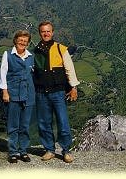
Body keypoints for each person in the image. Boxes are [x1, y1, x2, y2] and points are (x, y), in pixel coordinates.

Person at [33, 21, 80, 163]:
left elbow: (69, 69)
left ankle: (66, 151)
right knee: (44, 123)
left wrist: (73, 87)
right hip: (41, 93)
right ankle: (49, 150)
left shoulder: (61, 49)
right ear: (39, 33)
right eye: (43, 31)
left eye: (48, 31)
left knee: (63, 122)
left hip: (58, 92)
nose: (46, 33)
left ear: (52, 32)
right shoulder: (36, 51)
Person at [0, 30, 35, 164]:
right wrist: (5, 92)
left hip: (28, 95)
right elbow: (3, 74)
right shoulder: (8, 55)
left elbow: (35, 75)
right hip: (13, 94)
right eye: (20, 40)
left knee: (24, 125)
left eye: (25, 41)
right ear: (15, 40)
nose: (22, 43)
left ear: (28, 43)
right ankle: (13, 152)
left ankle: (23, 151)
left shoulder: (31, 56)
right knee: (13, 125)